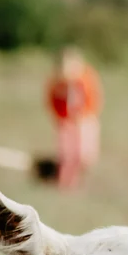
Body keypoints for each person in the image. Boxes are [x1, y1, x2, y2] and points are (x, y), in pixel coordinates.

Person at [45, 46, 103, 189]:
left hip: (85, 120)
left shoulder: (86, 80)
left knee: (84, 154)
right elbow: (52, 101)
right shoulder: (58, 84)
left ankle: (80, 175)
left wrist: (86, 115)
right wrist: (60, 116)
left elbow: (94, 97)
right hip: (66, 122)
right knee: (67, 154)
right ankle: (65, 182)